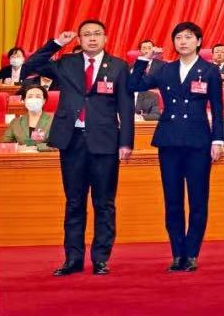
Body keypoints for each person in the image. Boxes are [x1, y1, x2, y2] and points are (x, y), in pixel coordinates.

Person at [21, 21, 134, 276]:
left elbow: (126, 106)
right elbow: (30, 66)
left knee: (104, 203)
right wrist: (57, 43)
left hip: (105, 142)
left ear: (105, 38)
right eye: (86, 35)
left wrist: (126, 142)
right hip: (72, 141)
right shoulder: (66, 63)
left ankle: (101, 259)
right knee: (74, 202)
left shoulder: (118, 66)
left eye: (97, 34)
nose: (92, 38)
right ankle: (73, 259)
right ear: (79, 40)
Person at [129, 22, 224, 272]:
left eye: (189, 37)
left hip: (198, 141)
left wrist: (218, 140)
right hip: (169, 140)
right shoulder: (164, 69)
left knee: (198, 199)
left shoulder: (209, 70)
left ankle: (191, 253)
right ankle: (177, 253)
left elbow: (217, 107)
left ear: (199, 41)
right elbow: (133, 85)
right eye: (179, 37)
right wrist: (144, 59)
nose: (183, 41)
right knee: (172, 200)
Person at [2, 84, 54, 150]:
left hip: (44, 156)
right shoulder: (15, 122)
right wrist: (18, 148)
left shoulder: (54, 121)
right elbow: (5, 144)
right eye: (30, 97)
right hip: (22, 155)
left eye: (38, 97)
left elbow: (59, 143)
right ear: (24, 100)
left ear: (44, 101)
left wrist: (36, 148)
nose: (34, 99)